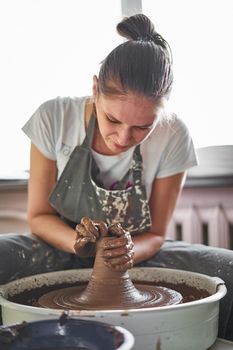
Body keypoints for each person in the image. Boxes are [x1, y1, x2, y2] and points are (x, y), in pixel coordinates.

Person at [0, 14, 232, 340]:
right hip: (60, 245)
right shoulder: (54, 117)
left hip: (137, 252)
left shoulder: (174, 134)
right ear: (95, 88)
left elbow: (156, 234)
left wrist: (126, 253)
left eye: (142, 127)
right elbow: (38, 217)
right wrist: (78, 245)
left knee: (228, 271)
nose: (123, 138)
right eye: (112, 119)